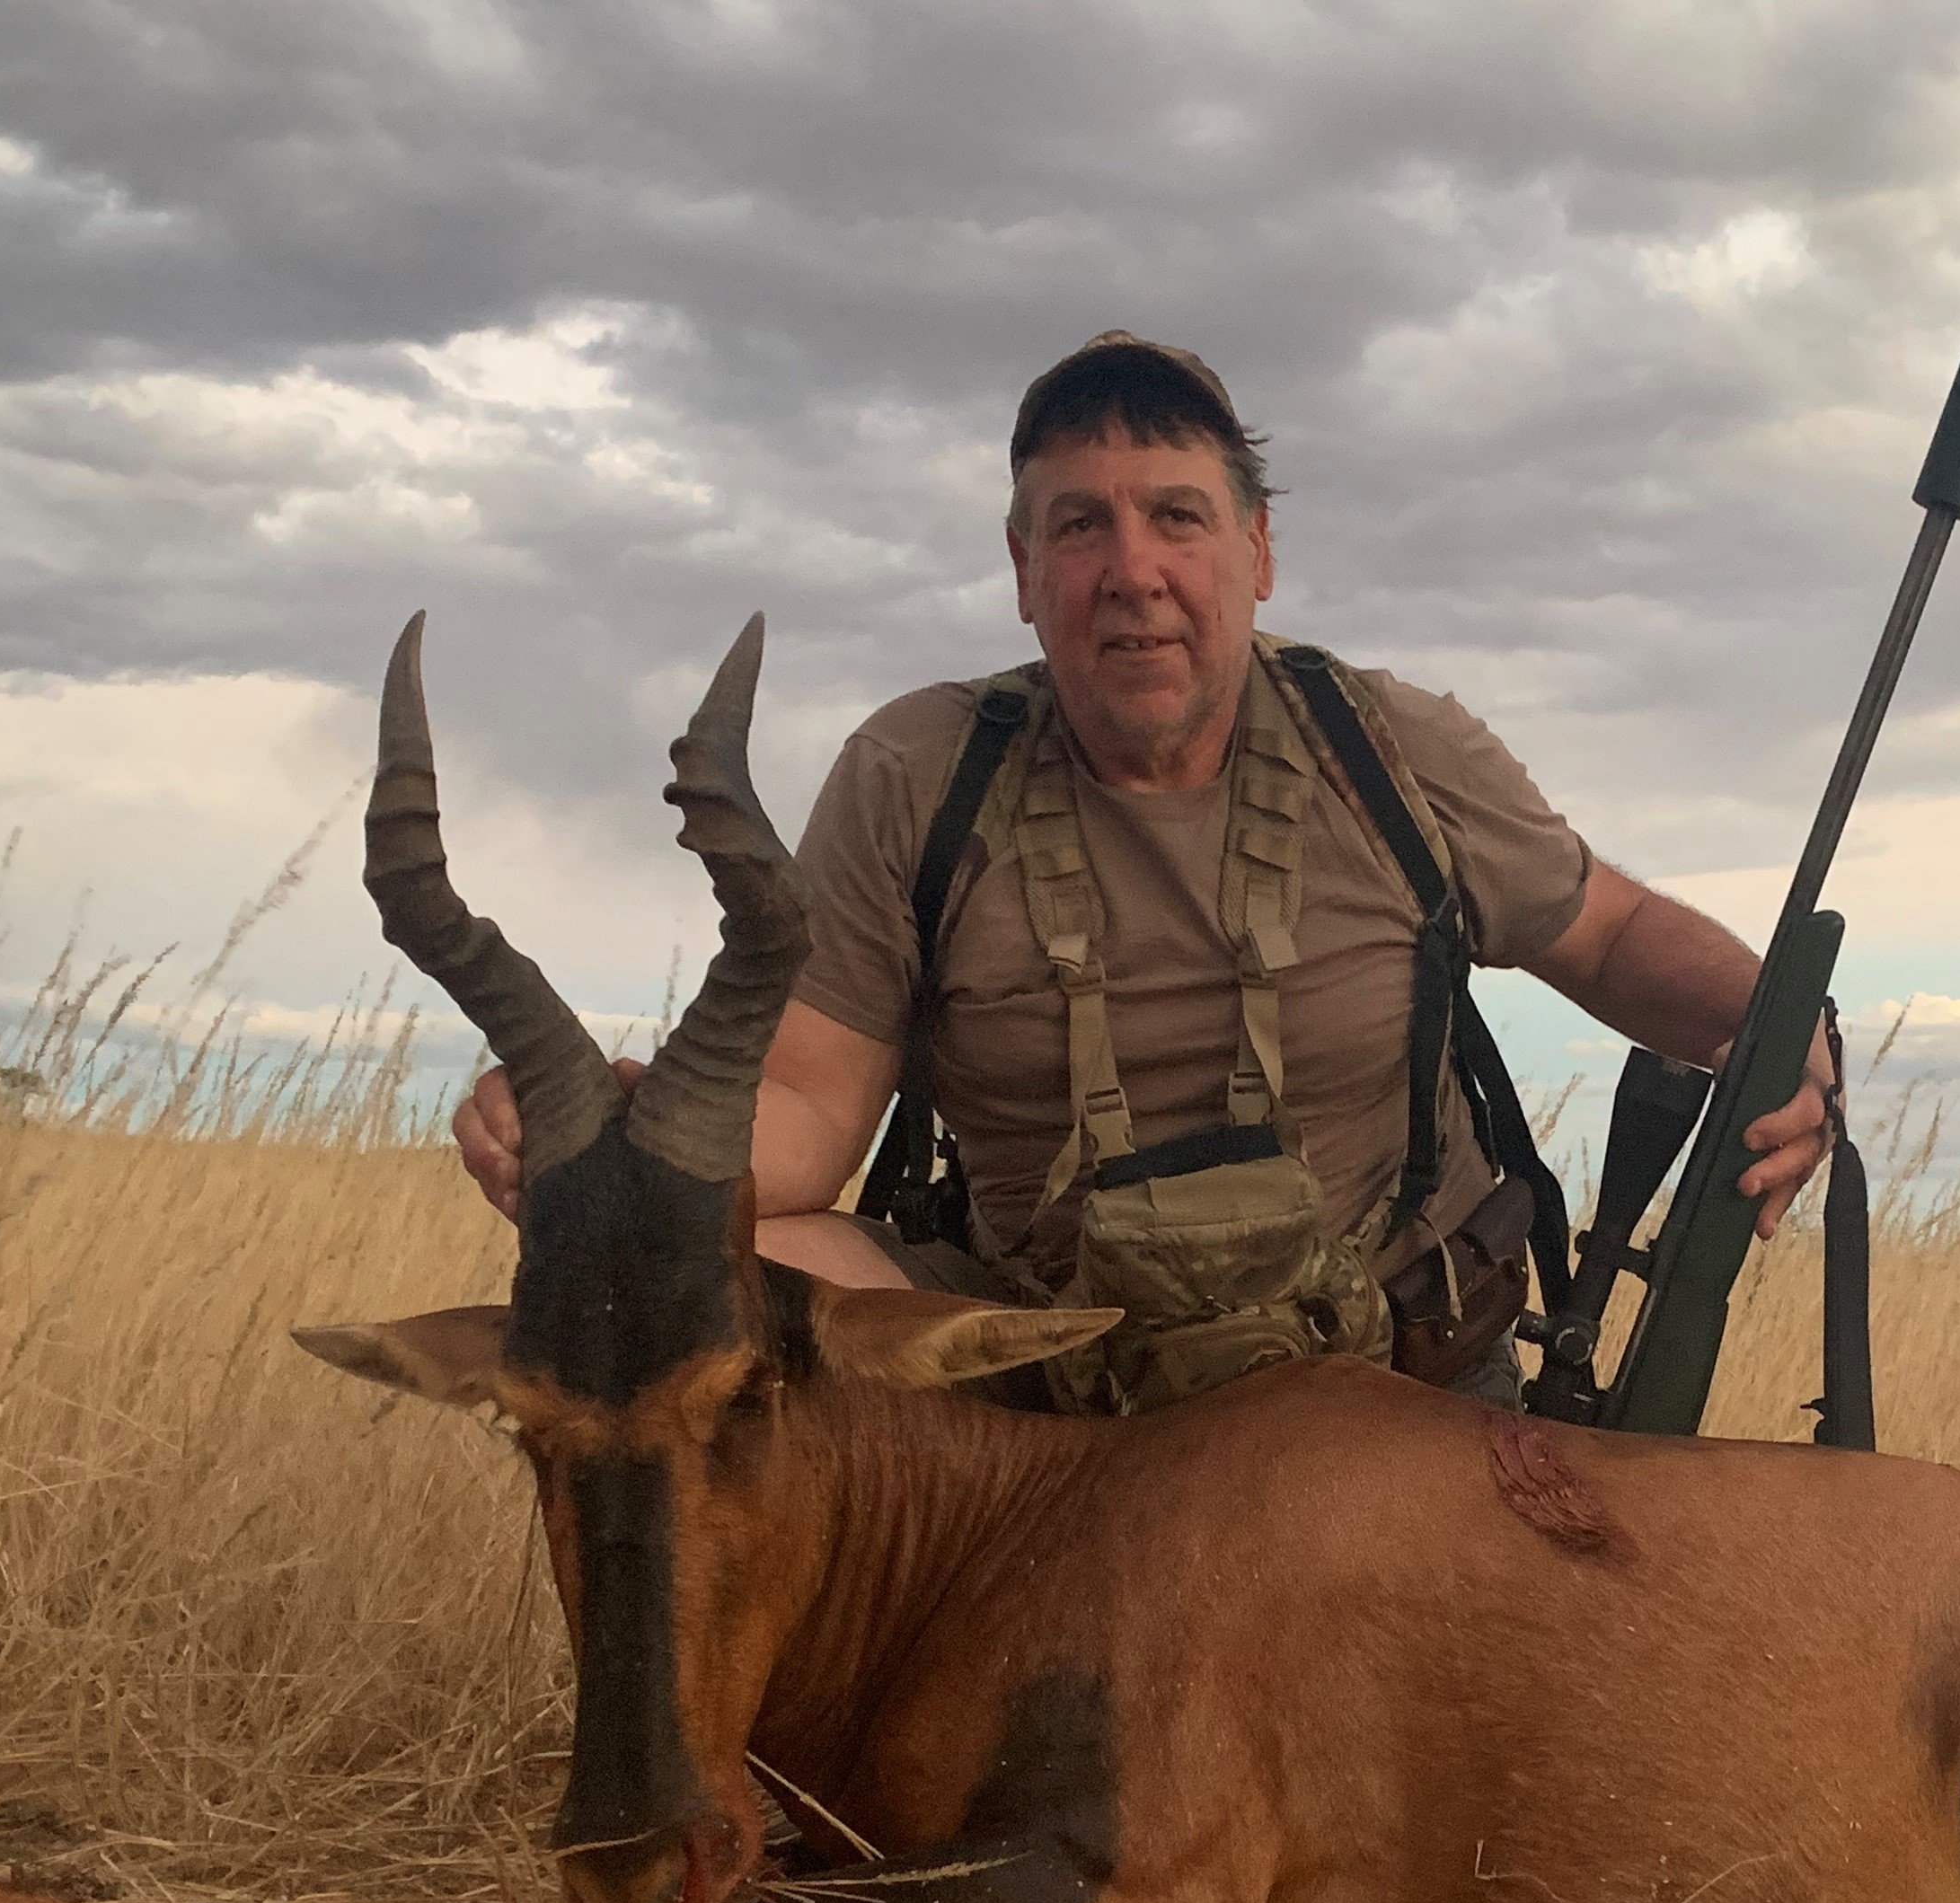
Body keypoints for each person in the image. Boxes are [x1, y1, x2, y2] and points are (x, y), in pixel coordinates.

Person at [454, 330, 1829, 1408]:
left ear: (1258, 551)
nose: (1133, 571)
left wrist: (1774, 1031)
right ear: (1021, 567)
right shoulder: (914, 775)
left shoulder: (1391, 747)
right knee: (669, 1267)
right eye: (1078, 526)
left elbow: (1605, 932)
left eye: (1177, 516)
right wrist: (611, 1148)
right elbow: (806, 1121)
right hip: (1052, 1381)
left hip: (1394, 1381)